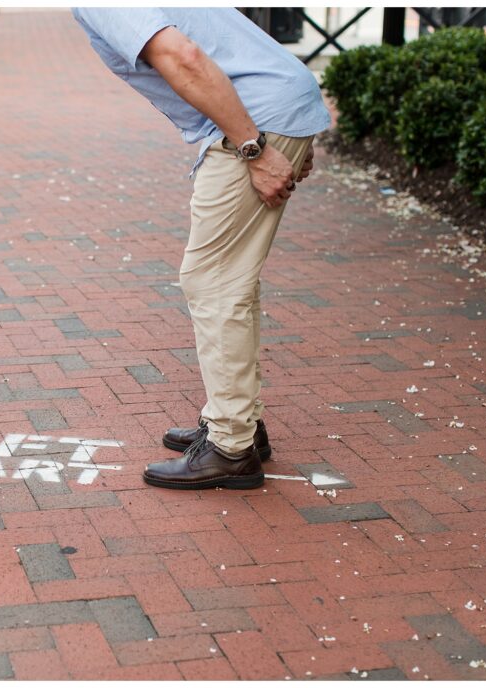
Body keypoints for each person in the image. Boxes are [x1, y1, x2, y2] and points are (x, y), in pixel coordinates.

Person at [72, 8, 331, 489]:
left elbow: (182, 55)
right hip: (272, 105)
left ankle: (232, 446)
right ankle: (237, 423)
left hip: (254, 119)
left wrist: (255, 146)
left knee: (213, 281)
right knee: (230, 279)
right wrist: (289, 131)